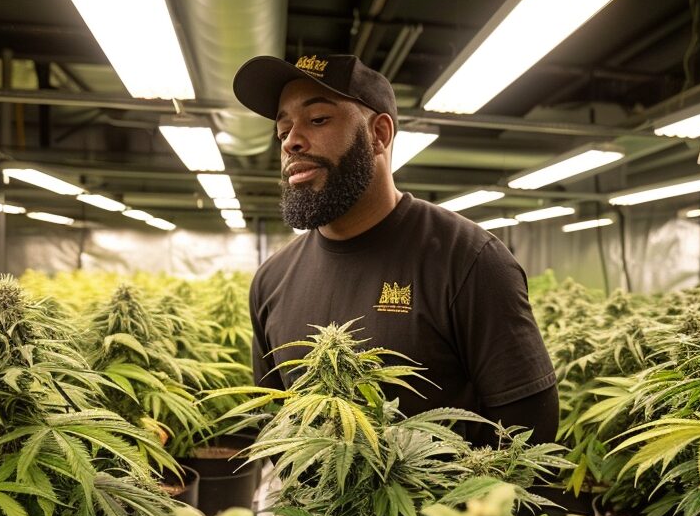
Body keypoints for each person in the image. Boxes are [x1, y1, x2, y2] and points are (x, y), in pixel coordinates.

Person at [231, 53, 558, 443]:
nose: (292, 142)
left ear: (379, 135)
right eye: (283, 131)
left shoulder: (469, 259)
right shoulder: (271, 280)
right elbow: (275, 425)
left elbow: (530, 434)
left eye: (317, 120)